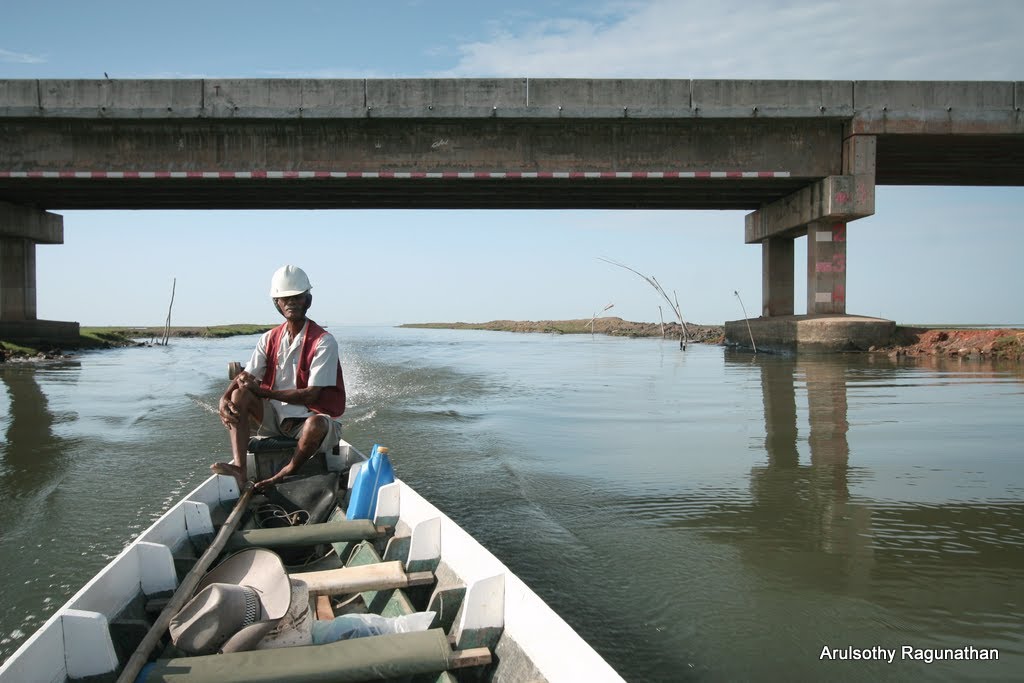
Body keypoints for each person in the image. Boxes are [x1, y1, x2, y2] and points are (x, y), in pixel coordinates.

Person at [213, 265, 345, 492]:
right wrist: (224, 398)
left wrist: (265, 392)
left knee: (314, 424)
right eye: (285, 298)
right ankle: (240, 467)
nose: (291, 302)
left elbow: (311, 394)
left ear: (308, 300)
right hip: (275, 419)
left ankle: (289, 470)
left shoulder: (323, 341)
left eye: (297, 297)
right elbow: (246, 377)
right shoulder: (269, 338)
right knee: (238, 394)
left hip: (310, 419)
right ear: (277, 304)